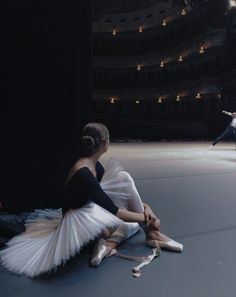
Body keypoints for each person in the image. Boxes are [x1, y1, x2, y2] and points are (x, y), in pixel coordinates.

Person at [0, 122, 183, 277]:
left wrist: (147, 208)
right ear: (104, 143)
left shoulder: (94, 165)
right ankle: (123, 238)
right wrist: (147, 218)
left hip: (89, 211)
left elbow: (117, 197)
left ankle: (109, 242)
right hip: (77, 222)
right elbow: (114, 210)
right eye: (109, 140)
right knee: (131, 223)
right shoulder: (84, 172)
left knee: (124, 181)